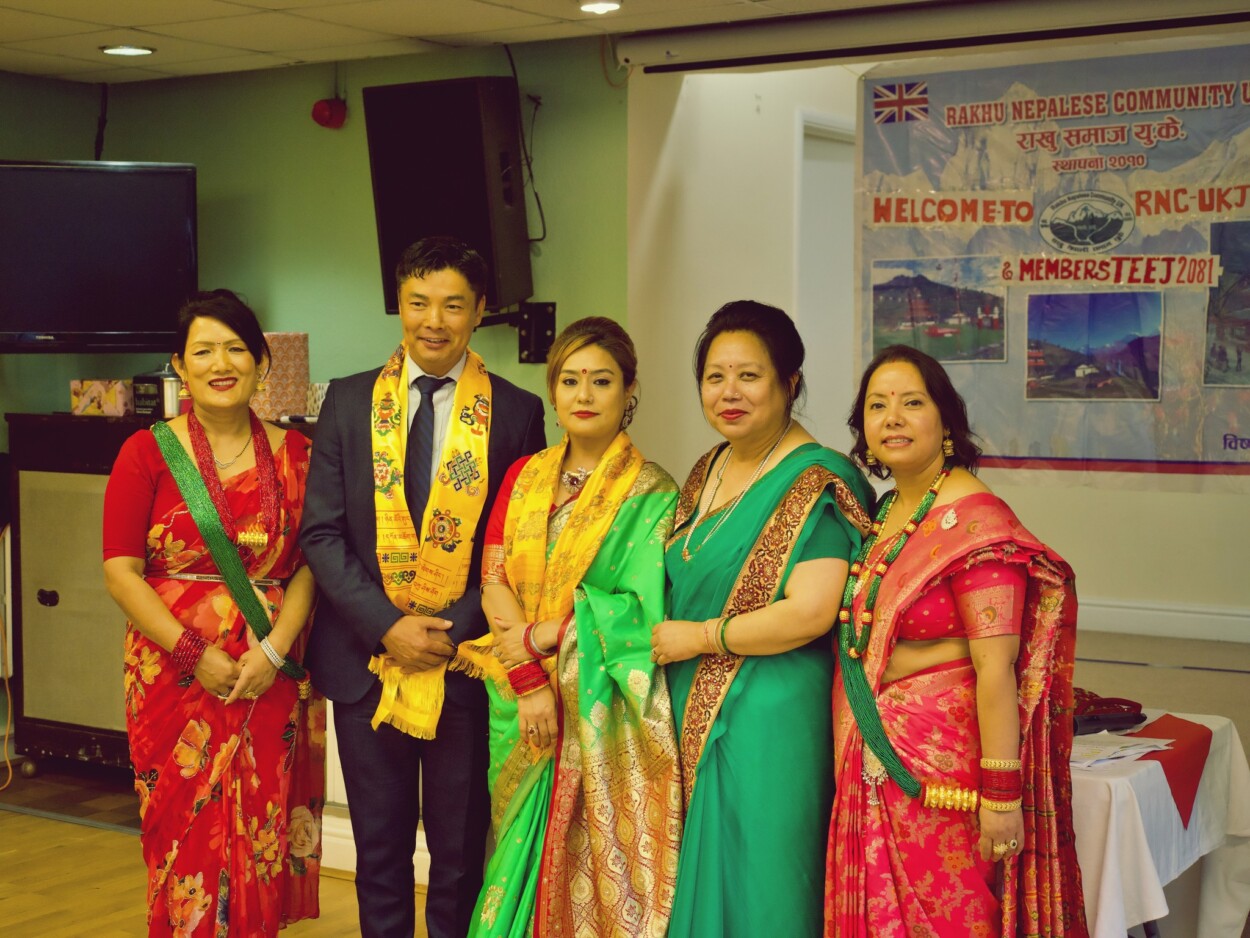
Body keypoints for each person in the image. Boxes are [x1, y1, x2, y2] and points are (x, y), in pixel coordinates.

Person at [301, 236, 547, 938]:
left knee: (460, 856)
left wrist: (447, 630)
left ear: (480, 312)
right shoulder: (348, 400)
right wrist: (387, 625)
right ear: (400, 305)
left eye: (452, 305)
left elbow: (517, 546)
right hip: (367, 662)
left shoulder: (517, 412)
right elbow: (322, 533)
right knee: (379, 854)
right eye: (418, 303)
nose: (433, 321)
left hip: (462, 664)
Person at [824, 344, 1087, 937]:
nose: (892, 418)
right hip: (868, 757)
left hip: (940, 773)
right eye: (877, 405)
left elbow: (998, 667)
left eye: (912, 403)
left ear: (946, 421)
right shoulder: (886, 513)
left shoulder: (976, 522)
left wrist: (1002, 797)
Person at [451, 317, 684, 937]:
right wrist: (528, 675)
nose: (584, 395)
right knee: (510, 850)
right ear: (553, 391)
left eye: (601, 381)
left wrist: (547, 636)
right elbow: (493, 578)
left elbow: (638, 609)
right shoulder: (524, 476)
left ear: (629, 390)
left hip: (594, 703)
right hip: (515, 694)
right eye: (570, 380)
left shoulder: (653, 492)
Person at [102, 289, 324, 936]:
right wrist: (194, 654)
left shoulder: (299, 454)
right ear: (179, 365)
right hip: (173, 677)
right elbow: (120, 572)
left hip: (268, 671)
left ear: (260, 362)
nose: (220, 364)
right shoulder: (145, 452)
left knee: (261, 826)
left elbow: (310, 566)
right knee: (181, 831)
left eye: (235, 349)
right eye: (203, 351)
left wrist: (274, 650)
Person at [651, 300, 875, 938]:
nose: (729, 392)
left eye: (749, 376)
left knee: (762, 883)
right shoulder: (708, 467)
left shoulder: (817, 480)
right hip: (687, 696)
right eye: (714, 377)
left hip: (770, 714)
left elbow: (809, 612)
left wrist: (699, 637)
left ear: (789, 382)